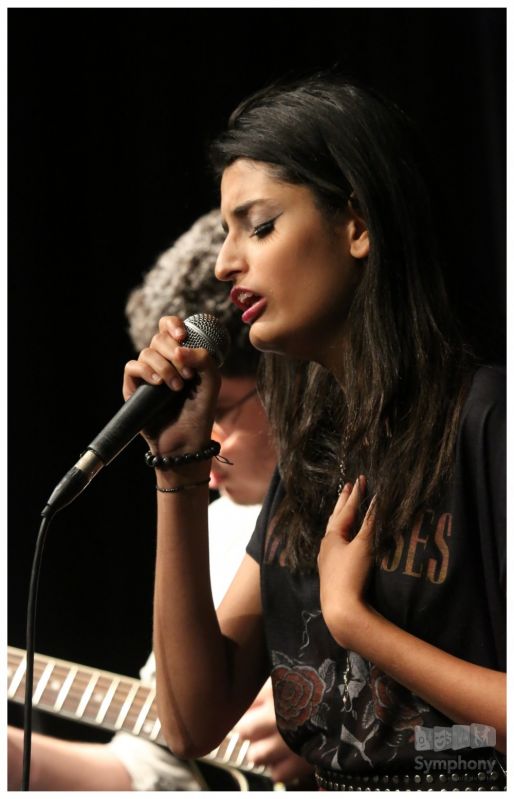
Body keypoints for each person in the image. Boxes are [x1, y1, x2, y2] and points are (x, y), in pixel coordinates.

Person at [124, 74, 506, 791]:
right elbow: (189, 721)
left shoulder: (486, 422)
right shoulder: (311, 460)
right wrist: (176, 465)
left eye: (259, 225)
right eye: (228, 230)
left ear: (358, 224)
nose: (224, 262)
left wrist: (356, 623)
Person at [8, 210, 312, 790]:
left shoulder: (417, 476)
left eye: (218, 414)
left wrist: (346, 727)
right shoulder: (222, 532)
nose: (207, 440)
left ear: (286, 382)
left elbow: (480, 733)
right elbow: (158, 763)